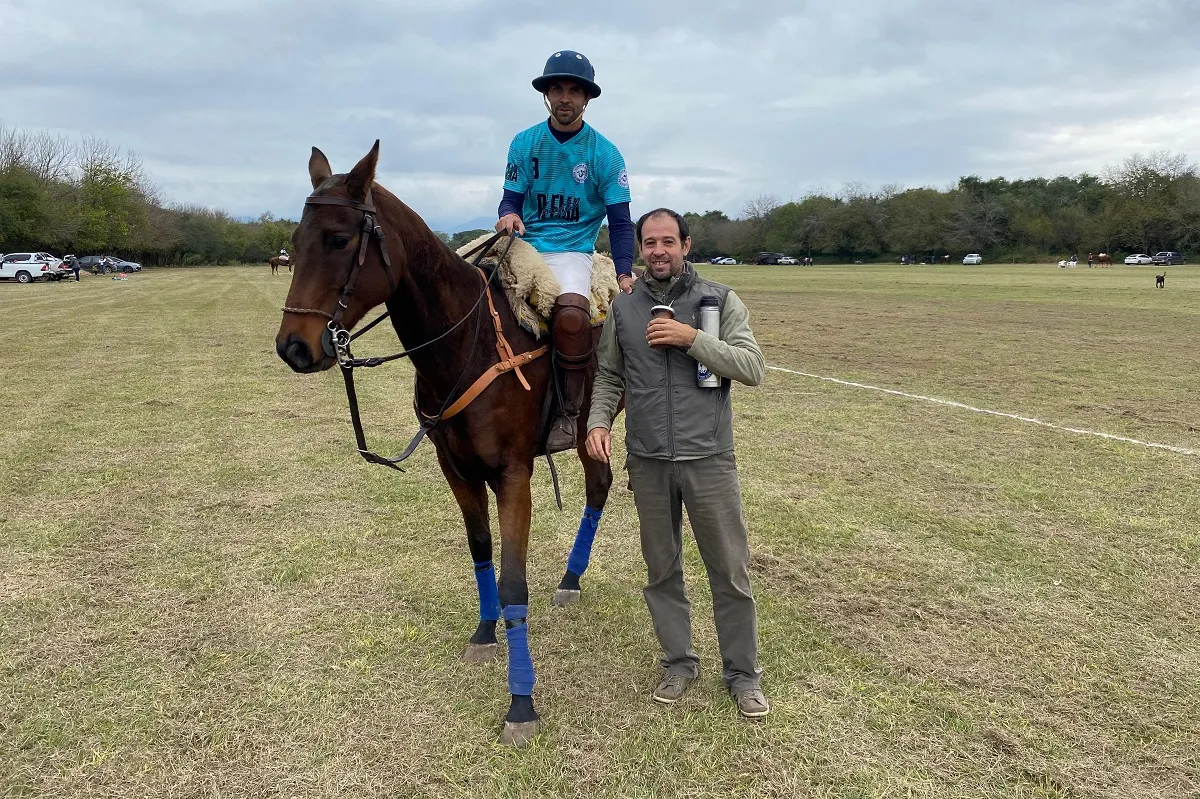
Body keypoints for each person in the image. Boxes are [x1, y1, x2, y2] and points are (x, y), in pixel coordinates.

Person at [585, 208, 770, 719]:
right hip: (647, 461)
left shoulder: (719, 300)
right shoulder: (622, 309)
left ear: (686, 245)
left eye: (669, 241)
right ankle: (679, 662)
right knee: (661, 570)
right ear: (640, 249)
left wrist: (693, 340)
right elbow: (608, 377)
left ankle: (742, 675)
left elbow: (753, 368)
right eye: (650, 242)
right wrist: (598, 422)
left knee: (729, 572)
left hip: (708, 458)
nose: (659, 251)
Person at [495, 50, 636, 452]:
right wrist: (508, 216)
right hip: (522, 246)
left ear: (586, 98)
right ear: (546, 94)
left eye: (574, 90)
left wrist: (624, 271)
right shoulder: (524, 143)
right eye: (557, 88)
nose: (564, 97)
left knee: (572, 317)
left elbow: (621, 223)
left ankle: (569, 413)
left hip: (572, 251)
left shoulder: (605, 154)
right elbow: (511, 201)